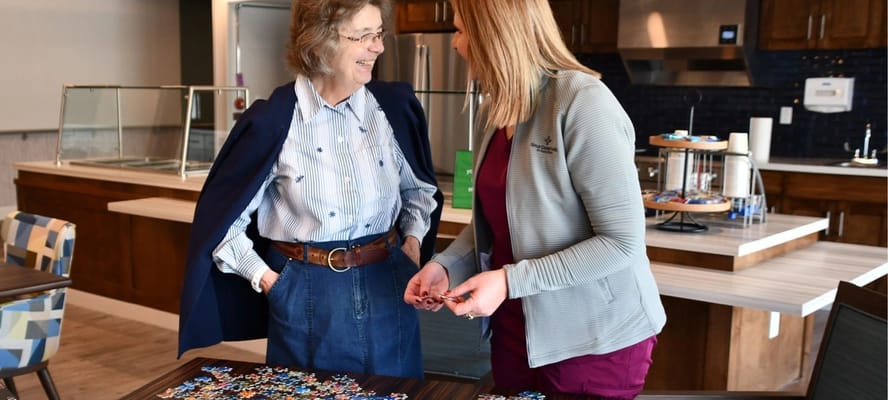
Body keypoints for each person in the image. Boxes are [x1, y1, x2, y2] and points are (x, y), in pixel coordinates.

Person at [404, 0, 667, 397]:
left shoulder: (583, 102)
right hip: (517, 332)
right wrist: (447, 266)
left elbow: (621, 243)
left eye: (461, 31)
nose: (456, 44)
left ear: (495, 34)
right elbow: (496, 225)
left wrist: (510, 281)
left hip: (596, 339)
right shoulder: (495, 108)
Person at [178, 0, 442, 379]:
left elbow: (419, 192)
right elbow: (222, 228)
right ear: (322, 41)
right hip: (307, 293)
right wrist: (273, 284)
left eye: (379, 33)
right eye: (364, 35)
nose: (379, 47)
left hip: (389, 282)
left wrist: (412, 245)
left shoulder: (393, 108)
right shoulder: (272, 121)